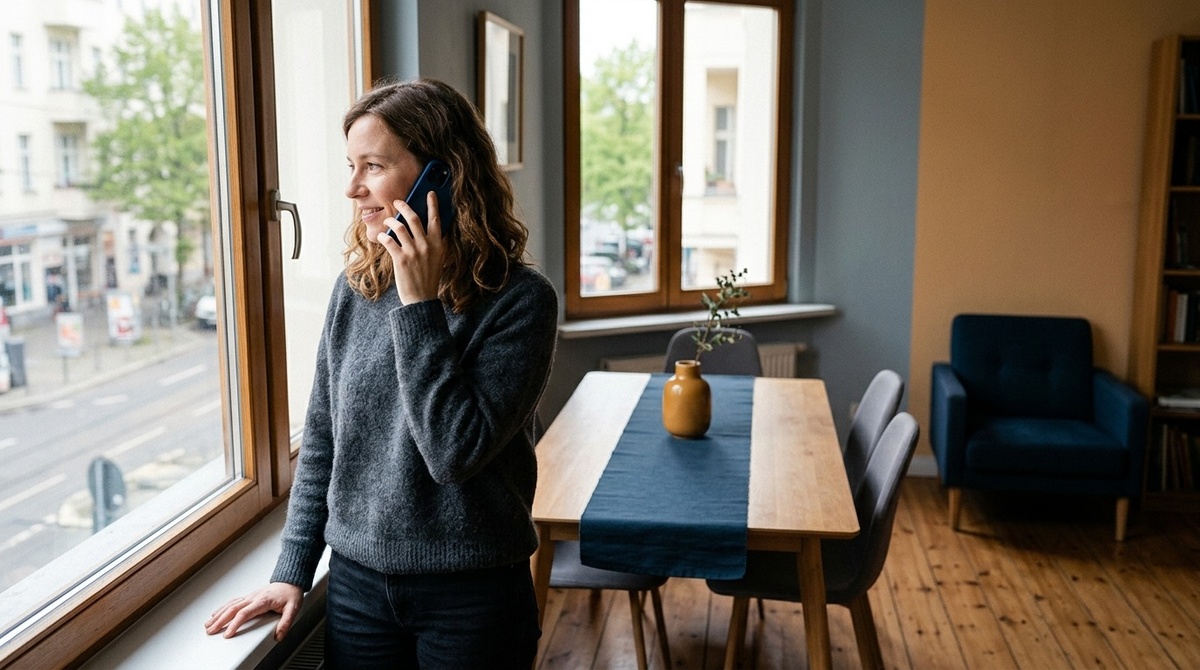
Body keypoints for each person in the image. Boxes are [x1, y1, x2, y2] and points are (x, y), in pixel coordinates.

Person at [204, 77, 558, 668]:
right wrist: (292, 570)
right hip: (356, 590)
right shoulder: (357, 289)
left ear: (442, 174)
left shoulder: (521, 301)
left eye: (372, 165)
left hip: (473, 596)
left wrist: (418, 307)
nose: (352, 188)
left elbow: (453, 452)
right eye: (350, 165)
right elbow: (323, 439)